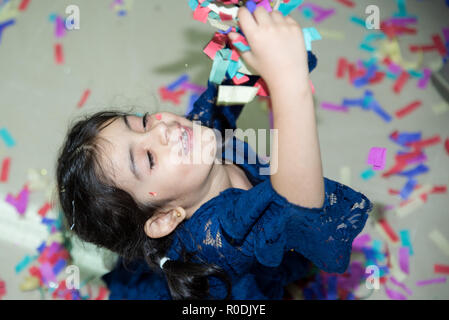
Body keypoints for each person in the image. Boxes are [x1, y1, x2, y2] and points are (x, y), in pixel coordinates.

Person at [56, 6, 372, 300]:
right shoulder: (222, 235)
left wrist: (240, 27)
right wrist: (289, 81)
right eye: (149, 158)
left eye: (142, 122)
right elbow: (298, 206)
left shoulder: (193, 144)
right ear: (166, 217)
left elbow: (228, 89)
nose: (161, 130)